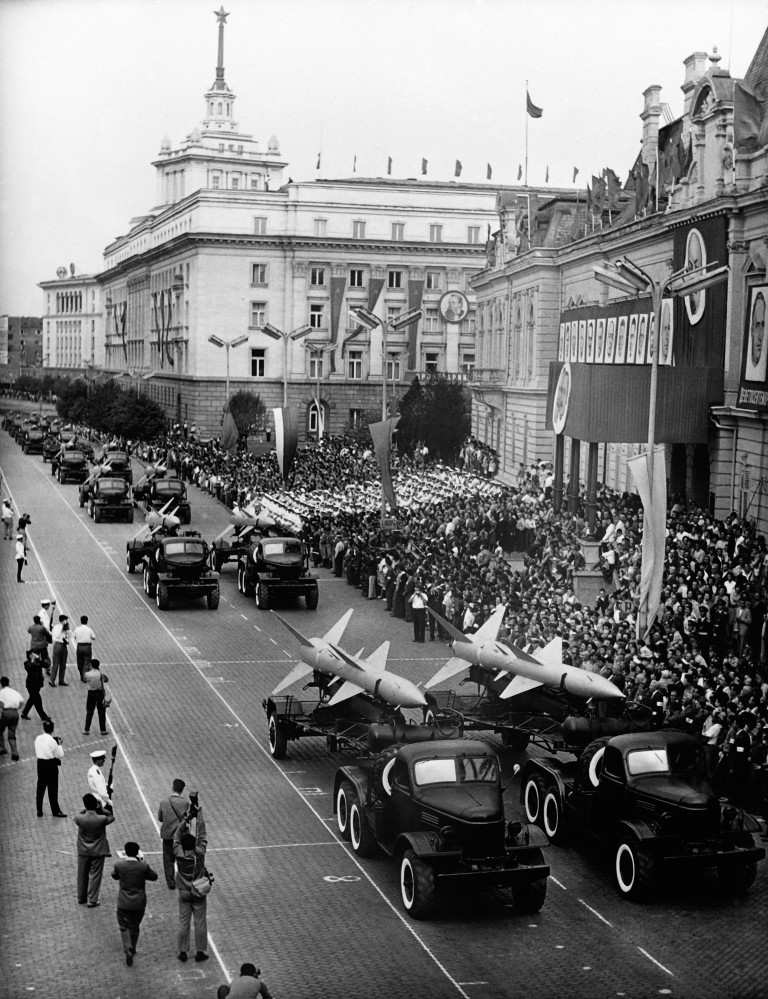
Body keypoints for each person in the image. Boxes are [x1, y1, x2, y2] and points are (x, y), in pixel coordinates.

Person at [111, 841, 158, 966]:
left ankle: (127, 947)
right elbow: (154, 876)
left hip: (123, 902)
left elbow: (114, 876)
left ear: (125, 852)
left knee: (123, 926)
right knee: (135, 926)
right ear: (137, 852)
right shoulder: (143, 867)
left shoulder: (119, 866)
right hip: (139, 902)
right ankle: (133, 946)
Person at [174, 807, 209, 963]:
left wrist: (187, 818)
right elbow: (202, 834)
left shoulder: (178, 853)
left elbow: (176, 835)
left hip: (183, 891)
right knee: (200, 922)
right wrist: (199, 815)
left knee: (184, 922)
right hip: (198, 891)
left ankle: (183, 951)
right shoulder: (199, 853)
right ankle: (200, 951)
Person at [75, 793, 115, 907]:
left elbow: (78, 815)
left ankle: (81, 897)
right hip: (98, 849)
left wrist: (87, 808)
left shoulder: (79, 818)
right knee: (95, 875)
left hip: (83, 850)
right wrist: (101, 809)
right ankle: (92, 899)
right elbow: (111, 817)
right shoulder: (101, 819)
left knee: (82, 874)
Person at [158, 778, 190, 889]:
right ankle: (183, 880)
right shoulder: (185, 803)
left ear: (173, 787)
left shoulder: (164, 802)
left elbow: (160, 818)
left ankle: (171, 883)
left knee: (168, 859)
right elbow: (187, 819)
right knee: (182, 858)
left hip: (167, 835)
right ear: (182, 790)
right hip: (180, 836)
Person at [35, 719, 66, 817]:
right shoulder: (51, 741)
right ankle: (55, 811)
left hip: (40, 764)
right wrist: (59, 745)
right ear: (52, 729)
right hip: (50, 765)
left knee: (40, 787)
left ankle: (39, 810)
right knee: (52, 789)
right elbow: (60, 754)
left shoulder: (38, 738)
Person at [21, 653, 50, 722]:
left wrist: (39, 660)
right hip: (31, 685)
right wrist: (32, 660)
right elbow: (28, 667)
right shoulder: (27, 663)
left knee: (32, 699)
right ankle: (43, 716)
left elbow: (46, 665)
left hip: (37, 685)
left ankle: (24, 713)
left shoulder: (38, 662)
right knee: (37, 701)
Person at [0, 675, 24, 761]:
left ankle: (2, 748)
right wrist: (15, 708)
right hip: (15, 714)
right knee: (12, 734)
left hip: (6, 713)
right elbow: (22, 703)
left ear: (1, 684)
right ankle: (15, 753)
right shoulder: (15, 692)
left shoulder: (1, 692)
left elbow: (1, 704)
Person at [82, 659, 109, 736]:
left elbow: (85, 679)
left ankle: (86, 729)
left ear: (91, 665)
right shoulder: (100, 674)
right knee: (101, 711)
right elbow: (106, 680)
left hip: (91, 693)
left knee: (89, 711)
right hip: (99, 693)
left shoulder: (87, 674)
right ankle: (103, 729)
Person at [72, 615, 96, 681]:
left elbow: (73, 636)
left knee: (80, 661)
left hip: (79, 646)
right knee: (87, 662)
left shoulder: (77, 629)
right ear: (87, 621)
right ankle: (85, 677)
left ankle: (81, 674)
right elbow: (94, 637)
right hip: (87, 647)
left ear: (81, 621)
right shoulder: (89, 629)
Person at [50, 614, 71, 686]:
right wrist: (62, 628)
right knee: (55, 663)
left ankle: (61, 680)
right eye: (66, 620)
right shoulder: (57, 627)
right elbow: (56, 635)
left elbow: (69, 636)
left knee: (63, 664)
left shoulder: (65, 627)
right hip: (58, 644)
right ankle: (52, 680)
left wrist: (67, 630)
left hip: (64, 645)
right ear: (63, 620)